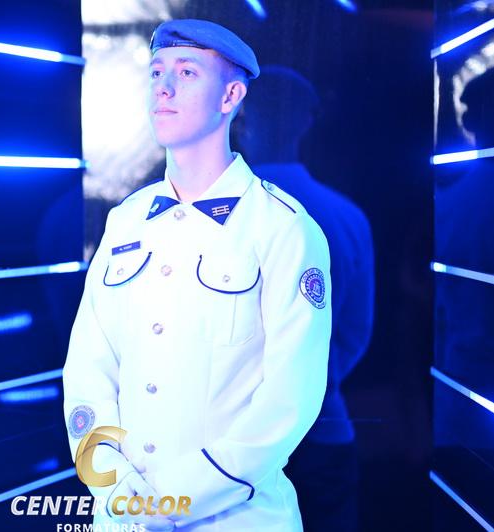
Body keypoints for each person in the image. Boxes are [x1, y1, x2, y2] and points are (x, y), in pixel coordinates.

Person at [63, 19, 332, 531]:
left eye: (187, 72)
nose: (163, 88)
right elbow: (87, 372)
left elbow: (288, 401)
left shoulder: (282, 227)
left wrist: (171, 501)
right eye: (156, 72)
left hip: (235, 519)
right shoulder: (125, 221)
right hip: (122, 515)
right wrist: (114, 485)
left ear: (231, 95)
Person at [234, 65, 374, 531]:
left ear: (240, 118)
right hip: (324, 428)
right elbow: (356, 332)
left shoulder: (200, 216)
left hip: (228, 443)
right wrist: (317, 381)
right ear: (306, 122)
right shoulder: (347, 217)